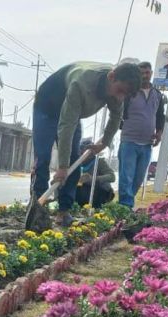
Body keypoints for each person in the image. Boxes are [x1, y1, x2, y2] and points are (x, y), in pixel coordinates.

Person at [31, 61, 142, 227]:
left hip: (72, 114)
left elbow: (115, 117)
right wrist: (62, 167)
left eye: (124, 95)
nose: (120, 98)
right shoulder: (81, 84)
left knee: (74, 160)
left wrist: (104, 143)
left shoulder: (117, 91)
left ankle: (64, 211)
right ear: (111, 77)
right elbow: (66, 127)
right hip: (48, 107)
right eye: (120, 91)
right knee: (44, 156)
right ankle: (37, 210)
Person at [117, 61, 165, 208]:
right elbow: (119, 113)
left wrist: (159, 133)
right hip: (129, 141)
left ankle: (126, 204)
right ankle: (125, 207)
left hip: (147, 144)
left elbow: (160, 116)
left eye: (147, 72)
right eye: (141, 73)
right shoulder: (129, 92)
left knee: (138, 179)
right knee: (127, 177)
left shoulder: (157, 95)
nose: (144, 76)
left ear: (151, 73)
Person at [74, 138, 116, 207]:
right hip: (84, 190)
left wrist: (93, 178)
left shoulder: (99, 162)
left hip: (100, 191)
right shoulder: (76, 163)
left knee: (84, 192)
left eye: (84, 151)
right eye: (81, 150)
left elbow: (112, 176)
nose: (82, 153)